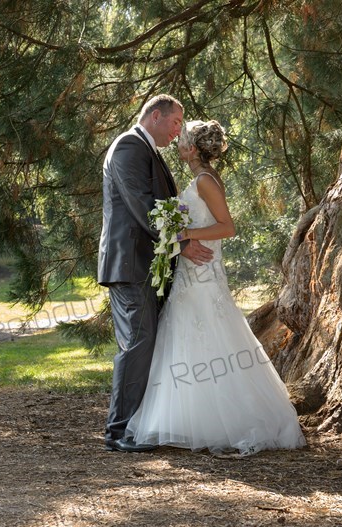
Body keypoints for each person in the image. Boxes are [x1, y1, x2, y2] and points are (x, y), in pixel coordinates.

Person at [125, 120, 306, 455]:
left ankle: (223, 421)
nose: (177, 144)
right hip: (192, 272)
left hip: (204, 273)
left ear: (192, 149)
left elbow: (227, 227)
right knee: (186, 336)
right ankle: (184, 420)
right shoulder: (199, 178)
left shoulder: (205, 181)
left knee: (210, 335)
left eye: (182, 140)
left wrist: (185, 234)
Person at [98, 95, 214, 452]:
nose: (178, 130)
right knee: (137, 342)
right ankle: (118, 431)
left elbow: (163, 206)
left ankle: (137, 424)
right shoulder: (128, 147)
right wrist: (182, 242)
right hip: (130, 264)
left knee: (146, 341)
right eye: (176, 122)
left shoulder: (148, 150)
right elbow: (143, 206)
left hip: (147, 264)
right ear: (155, 116)